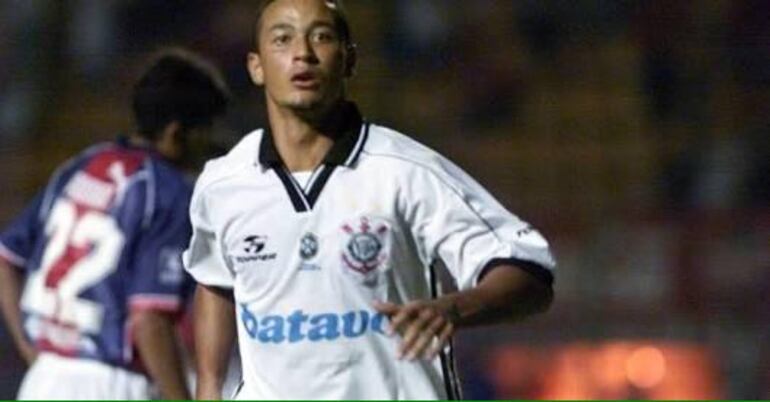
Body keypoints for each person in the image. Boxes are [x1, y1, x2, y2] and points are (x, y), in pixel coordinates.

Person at [184, 0, 555, 399]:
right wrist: (208, 389)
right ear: (256, 66)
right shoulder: (223, 182)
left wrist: (451, 309)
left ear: (349, 60)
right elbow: (215, 280)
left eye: (321, 37)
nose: (303, 53)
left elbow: (527, 270)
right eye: (282, 39)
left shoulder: (406, 171)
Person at [0, 48, 229, 400]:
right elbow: (149, 319)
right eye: (206, 129)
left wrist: (32, 348)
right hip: (113, 384)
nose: (211, 142)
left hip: (43, 379)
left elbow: (6, 259)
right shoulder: (166, 191)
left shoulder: (82, 165)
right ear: (176, 131)